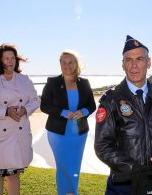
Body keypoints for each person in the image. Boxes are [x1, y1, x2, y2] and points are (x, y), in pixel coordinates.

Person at [94, 35, 152, 194]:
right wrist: (135, 169)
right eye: (128, 60)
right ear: (123, 65)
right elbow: (102, 145)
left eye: (139, 59)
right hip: (123, 185)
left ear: (148, 63)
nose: (134, 65)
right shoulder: (111, 100)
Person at [0, 43, 39, 195]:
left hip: (19, 133)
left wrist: (25, 109)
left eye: (12, 58)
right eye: (6, 58)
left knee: (14, 174)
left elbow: (35, 100)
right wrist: (5, 111)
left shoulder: (25, 80)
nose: (10, 61)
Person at [40, 50, 96, 195]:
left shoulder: (84, 83)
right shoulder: (52, 82)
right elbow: (44, 105)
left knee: (74, 167)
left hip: (79, 134)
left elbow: (92, 105)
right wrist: (63, 112)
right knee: (63, 166)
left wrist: (83, 112)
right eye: (64, 62)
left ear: (76, 64)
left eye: (70, 62)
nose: (67, 65)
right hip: (57, 133)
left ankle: (72, 192)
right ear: (60, 64)